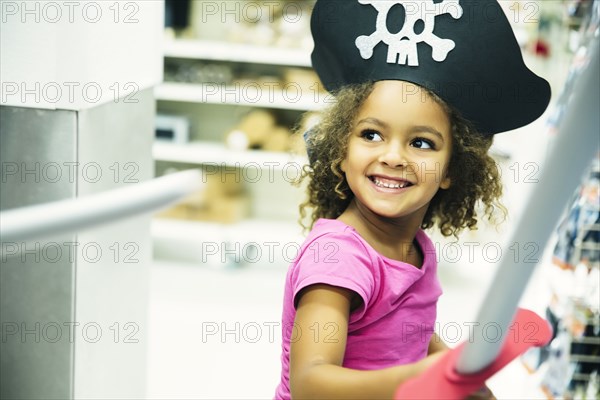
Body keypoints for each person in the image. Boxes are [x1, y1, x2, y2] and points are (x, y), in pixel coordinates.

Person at [275, 1, 551, 399]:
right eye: (371, 134)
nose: (392, 156)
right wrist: (425, 375)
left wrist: (470, 383)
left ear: (452, 168)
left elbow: (410, 330)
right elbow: (311, 383)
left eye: (421, 142)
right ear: (340, 149)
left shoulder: (415, 248)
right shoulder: (338, 259)